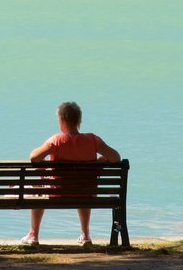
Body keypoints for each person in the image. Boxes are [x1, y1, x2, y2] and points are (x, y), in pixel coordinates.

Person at [21, 101, 121, 247]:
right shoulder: (93, 140)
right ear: (79, 121)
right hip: (85, 193)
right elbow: (115, 157)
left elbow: (34, 157)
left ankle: (33, 235)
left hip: (59, 193)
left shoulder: (56, 141)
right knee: (84, 187)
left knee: (39, 190)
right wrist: (99, 161)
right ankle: (85, 235)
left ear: (61, 120)